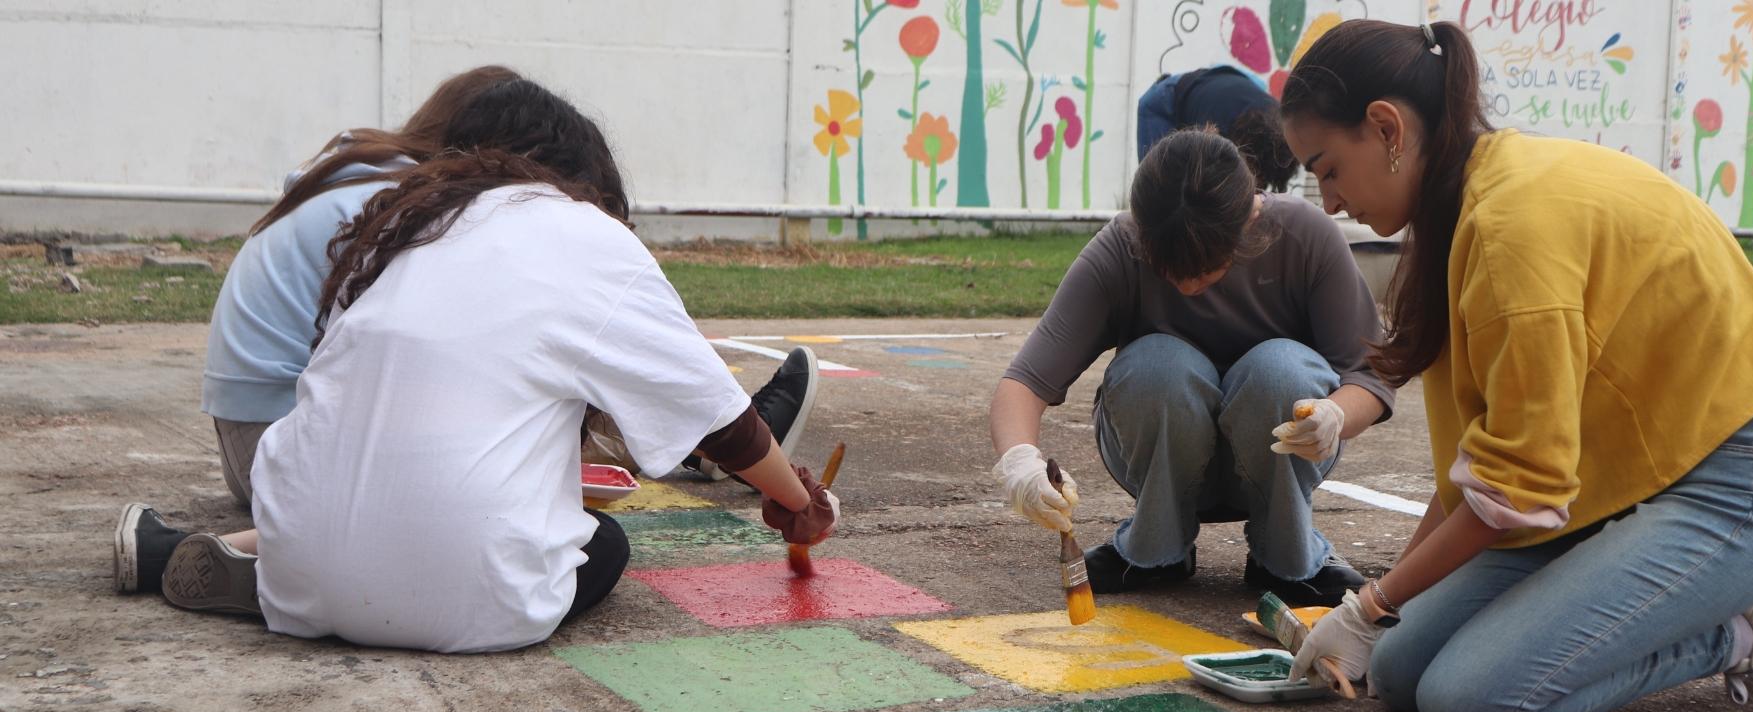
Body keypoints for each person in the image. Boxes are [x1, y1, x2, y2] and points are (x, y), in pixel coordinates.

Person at [1276, 19, 1753, 712]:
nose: (1328, 201)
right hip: (1621, 482)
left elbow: (1518, 492)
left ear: (1386, 127)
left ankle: (1741, 631)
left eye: (1327, 168)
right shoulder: (1464, 210)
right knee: (1398, 670)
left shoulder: (1510, 226)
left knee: (1469, 703)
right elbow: (1486, 472)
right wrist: (1380, 613)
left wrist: (1365, 605)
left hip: (1742, 478)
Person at [115, 80, 839, 653]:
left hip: (299, 568)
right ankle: (388, 583)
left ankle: (288, 570)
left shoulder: (401, 226)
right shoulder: (585, 234)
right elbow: (719, 419)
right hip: (468, 598)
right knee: (602, 543)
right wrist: (796, 502)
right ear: (587, 182)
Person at [195, 67, 815, 511]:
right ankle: (715, 439)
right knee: (560, 404)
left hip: (262, 438)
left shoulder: (383, 185)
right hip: (293, 455)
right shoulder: (415, 210)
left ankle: (707, 439)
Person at [988, 127, 1394, 605]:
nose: (1185, 284)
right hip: (1158, 450)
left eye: (1204, 268)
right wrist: (1019, 464)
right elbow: (1024, 382)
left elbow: (1370, 375)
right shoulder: (1121, 246)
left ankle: (1288, 556)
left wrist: (1336, 415)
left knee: (1280, 369)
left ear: (1248, 223)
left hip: (1284, 455)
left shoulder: (1304, 237)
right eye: (1168, 269)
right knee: (1158, 364)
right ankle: (1154, 548)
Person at [1136, 65, 1297, 191]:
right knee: (1158, 187)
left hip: (1209, 86)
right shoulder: (1217, 129)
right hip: (1163, 103)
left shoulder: (1279, 122)